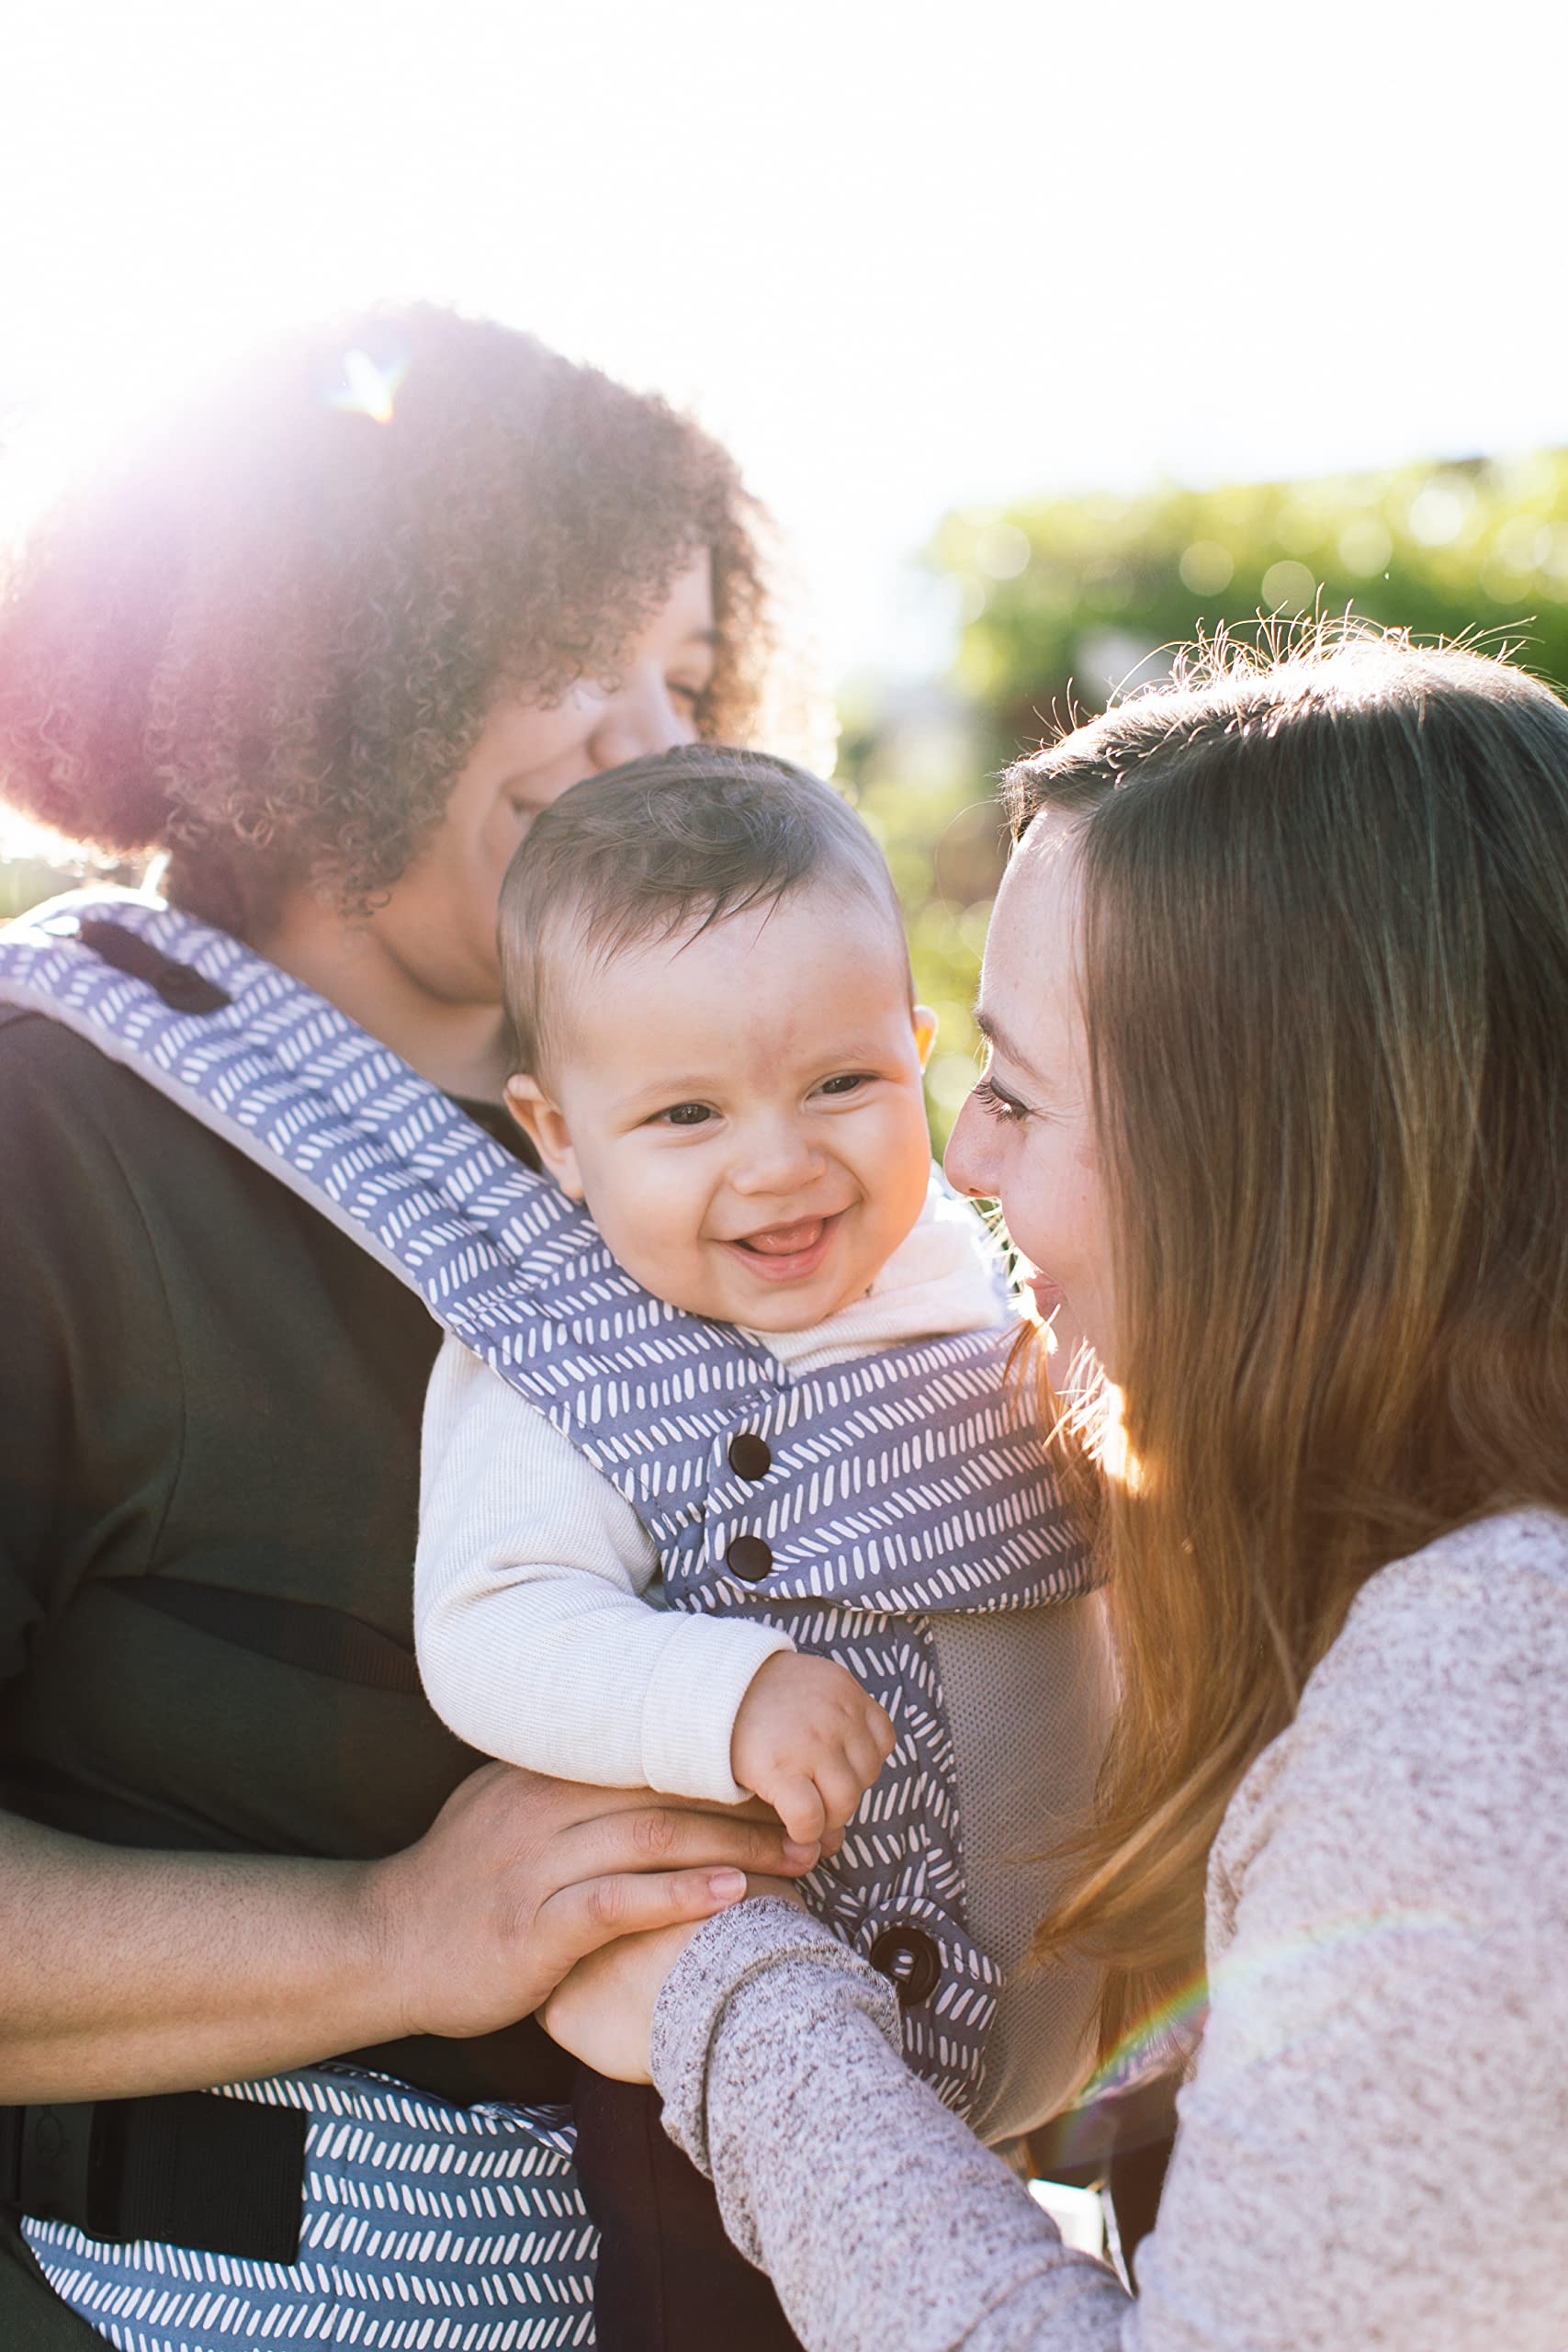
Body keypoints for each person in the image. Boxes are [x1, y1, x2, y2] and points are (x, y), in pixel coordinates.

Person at [544, 631, 1568, 2352]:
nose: (964, 1162)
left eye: (1015, 1090)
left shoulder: (1485, 1687)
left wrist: (733, 1997)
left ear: (1260, 1165)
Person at [0, 303, 820, 2352]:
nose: (661, 750)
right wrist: (384, 1932)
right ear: (341, 657)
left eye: (697, 675)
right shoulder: (54, 1127)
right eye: (570, 661)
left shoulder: (715, 1155)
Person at [412, 747, 1110, 2345]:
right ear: (560, 1134)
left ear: (919, 1051)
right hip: (740, 2074)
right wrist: (721, 1691)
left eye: (842, 1086)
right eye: (683, 1114)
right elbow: (489, 1624)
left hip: (1058, 2030)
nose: (780, 1164)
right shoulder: (562, 1358)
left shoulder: (970, 1258)